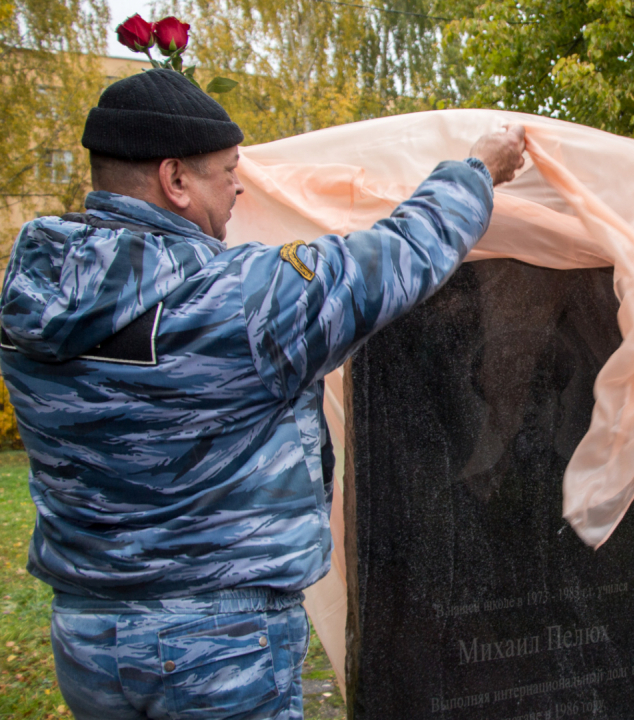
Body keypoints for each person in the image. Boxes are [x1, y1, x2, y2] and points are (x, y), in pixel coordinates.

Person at [0, 68, 525, 719]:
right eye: (227, 171)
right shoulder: (231, 300)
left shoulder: (29, 293)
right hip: (211, 646)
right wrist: (476, 169)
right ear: (176, 180)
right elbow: (393, 260)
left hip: (88, 636)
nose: (239, 185)